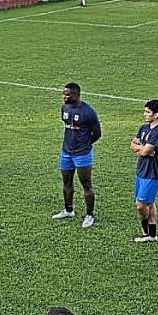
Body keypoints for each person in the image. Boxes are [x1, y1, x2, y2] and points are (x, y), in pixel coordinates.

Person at [53, 83, 100, 228]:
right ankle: (68, 210)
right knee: (66, 182)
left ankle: (90, 214)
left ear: (77, 95)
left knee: (86, 185)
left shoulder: (88, 112)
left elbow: (97, 134)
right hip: (66, 152)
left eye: (68, 95)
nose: (65, 97)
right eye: (63, 94)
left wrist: (85, 145)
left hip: (82, 154)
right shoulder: (64, 108)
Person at [130, 100, 158, 243]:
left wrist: (142, 149)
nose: (144, 114)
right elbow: (132, 145)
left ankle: (146, 232)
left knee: (141, 205)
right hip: (141, 170)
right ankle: (152, 234)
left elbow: (145, 151)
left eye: (148, 112)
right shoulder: (144, 128)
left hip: (152, 172)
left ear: (156, 114)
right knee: (150, 203)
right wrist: (142, 149)